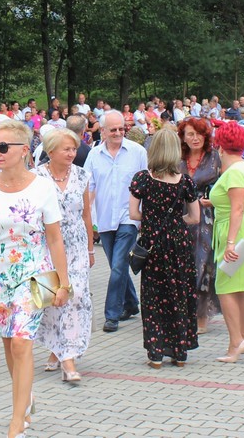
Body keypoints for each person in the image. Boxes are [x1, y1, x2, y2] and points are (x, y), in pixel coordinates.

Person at [0, 119, 70, 438]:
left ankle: (16, 422)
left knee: (23, 343)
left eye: (3, 147)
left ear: (25, 150)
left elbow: (55, 238)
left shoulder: (43, 187)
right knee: (10, 344)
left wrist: (63, 283)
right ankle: (25, 399)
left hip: (36, 275)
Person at [128, 127, 201, 368]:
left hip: (154, 244)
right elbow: (195, 217)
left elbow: (133, 213)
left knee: (154, 297)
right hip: (179, 244)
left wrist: (153, 219)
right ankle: (179, 352)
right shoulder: (186, 181)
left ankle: (156, 352)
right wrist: (175, 222)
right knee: (179, 294)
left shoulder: (142, 179)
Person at [34, 128, 94, 382]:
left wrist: (90, 248)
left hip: (77, 245)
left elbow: (86, 214)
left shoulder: (81, 175)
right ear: (50, 152)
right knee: (52, 299)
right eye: (66, 149)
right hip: (47, 245)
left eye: (74, 149)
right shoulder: (36, 178)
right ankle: (56, 349)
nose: (72, 154)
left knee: (75, 296)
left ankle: (68, 357)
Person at [83, 110, 147, 333]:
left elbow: (146, 185)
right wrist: (87, 219)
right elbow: (88, 188)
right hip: (104, 218)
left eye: (121, 128)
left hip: (129, 217)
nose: (119, 133)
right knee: (115, 266)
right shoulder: (94, 155)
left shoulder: (138, 152)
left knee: (119, 266)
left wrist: (144, 216)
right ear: (102, 131)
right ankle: (131, 303)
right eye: (113, 129)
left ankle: (112, 315)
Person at [209, 121, 244, 363]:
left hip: (236, 230)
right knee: (239, 286)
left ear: (220, 146)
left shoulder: (234, 172)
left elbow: (237, 208)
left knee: (224, 287)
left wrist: (230, 242)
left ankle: (236, 342)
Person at [176, 117, 221, 333]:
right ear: (183, 137)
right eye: (190, 134)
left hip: (207, 216)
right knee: (183, 263)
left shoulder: (215, 157)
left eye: (199, 134)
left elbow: (227, 186)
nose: (195, 138)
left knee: (204, 264)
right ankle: (184, 312)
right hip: (182, 215)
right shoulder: (178, 158)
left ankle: (202, 315)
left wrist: (214, 199)